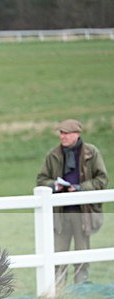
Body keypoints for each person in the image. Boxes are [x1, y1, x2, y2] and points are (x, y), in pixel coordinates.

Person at [36, 119, 108, 285]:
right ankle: (57, 288)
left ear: (77, 134)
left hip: (83, 213)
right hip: (60, 213)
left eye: (66, 133)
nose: (62, 136)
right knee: (58, 253)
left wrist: (80, 188)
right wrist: (54, 185)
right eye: (61, 133)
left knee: (82, 252)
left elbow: (102, 179)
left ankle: (80, 289)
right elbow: (41, 180)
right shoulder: (52, 155)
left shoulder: (92, 153)